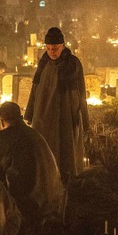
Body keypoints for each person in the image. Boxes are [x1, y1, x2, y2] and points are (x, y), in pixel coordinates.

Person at [0, 102, 65, 233]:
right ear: (20, 117)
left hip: (29, 203)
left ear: (1, 121)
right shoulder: (35, 134)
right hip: (53, 199)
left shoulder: (3, 137)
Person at [24, 27, 90, 183]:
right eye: (48, 48)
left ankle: (65, 175)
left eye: (54, 48)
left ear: (63, 46)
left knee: (65, 143)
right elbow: (35, 88)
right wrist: (30, 113)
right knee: (45, 142)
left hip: (65, 111)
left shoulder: (73, 63)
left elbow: (81, 91)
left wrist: (84, 118)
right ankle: (46, 172)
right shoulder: (44, 62)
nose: (51, 52)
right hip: (44, 112)